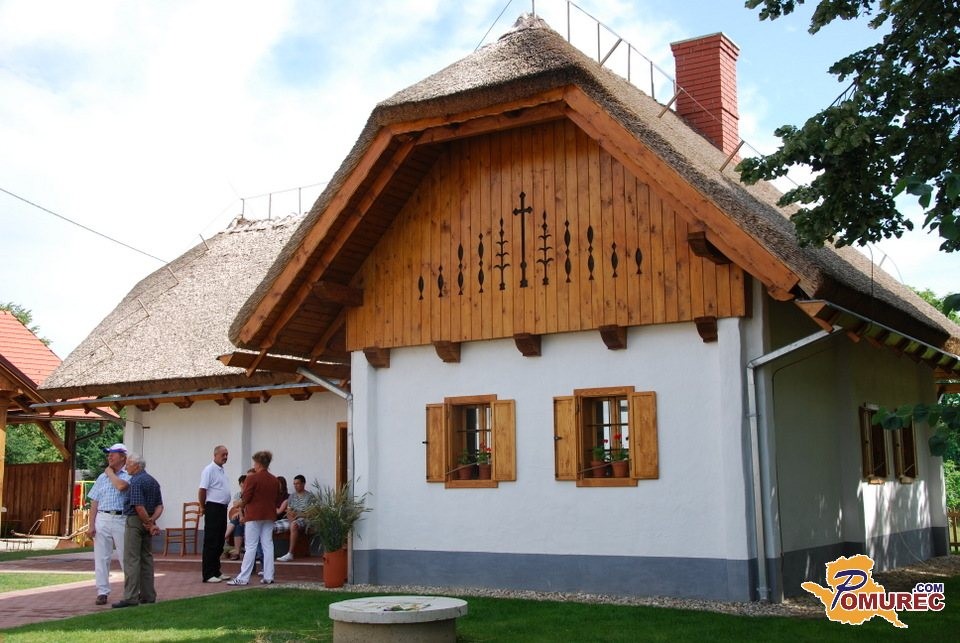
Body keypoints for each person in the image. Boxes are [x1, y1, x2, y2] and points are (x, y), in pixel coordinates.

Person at [112, 453, 164, 608]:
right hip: (148, 520)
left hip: (135, 521)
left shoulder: (135, 481)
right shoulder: (153, 481)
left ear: (137, 466)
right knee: (146, 558)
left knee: (132, 559)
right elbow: (160, 506)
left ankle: (130, 597)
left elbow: (138, 507)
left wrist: (148, 523)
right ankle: (148, 595)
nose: (126, 466)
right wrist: (152, 521)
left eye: (128, 464)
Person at [87, 443, 131, 606]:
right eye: (108, 454)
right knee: (101, 557)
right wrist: (91, 525)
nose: (109, 456)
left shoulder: (128, 474)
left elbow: (121, 486)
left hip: (121, 518)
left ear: (123, 457)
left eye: (113, 454)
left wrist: (110, 473)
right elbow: (94, 501)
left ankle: (131, 590)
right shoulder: (101, 477)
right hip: (103, 517)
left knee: (125, 556)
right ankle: (102, 592)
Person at [227, 451, 280, 586]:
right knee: (268, 544)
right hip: (269, 515)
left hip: (254, 515)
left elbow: (246, 498)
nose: (254, 465)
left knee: (250, 546)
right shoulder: (274, 480)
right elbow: (276, 498)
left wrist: (238, 504)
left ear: (258, 463)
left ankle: (243, 577)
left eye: (255, 463)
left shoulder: (252, 478)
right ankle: (268, 576)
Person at [198, 445, 232, 583]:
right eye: (223, 454)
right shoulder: (209, 470)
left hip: (222, 508)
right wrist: (203, 507)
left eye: (227, 454)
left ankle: (216, 571)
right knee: (211, 541)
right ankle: (208, 574)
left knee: (219, 541)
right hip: (213, 507)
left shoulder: (222, 471)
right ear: (215, 455)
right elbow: (202, 490)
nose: (225, 457)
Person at [276, 474, 309, 562]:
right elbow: (288, 510)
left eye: (297, 483)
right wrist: (291, 519)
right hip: (292, 519)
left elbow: (310, 513)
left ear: (303, 484)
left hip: (304, 519)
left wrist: (297, 515)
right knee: (269, 526)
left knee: (294, 525)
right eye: (294, 484)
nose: (295, 486)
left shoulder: (309, 497)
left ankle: (290, 553)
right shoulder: (292, 496)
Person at [224, 473, 247, 560]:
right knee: (237, 525)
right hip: (240, 517)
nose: (243, 485)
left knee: (235, 519)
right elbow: (235, 505)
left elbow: (242, 505)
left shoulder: (249, 493)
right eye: (242, 483)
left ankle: (223, 537)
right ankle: (237, 552)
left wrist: (239, 511)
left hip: (247, 517)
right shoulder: (238, 494)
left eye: (244, 482)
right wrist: (239, 511)